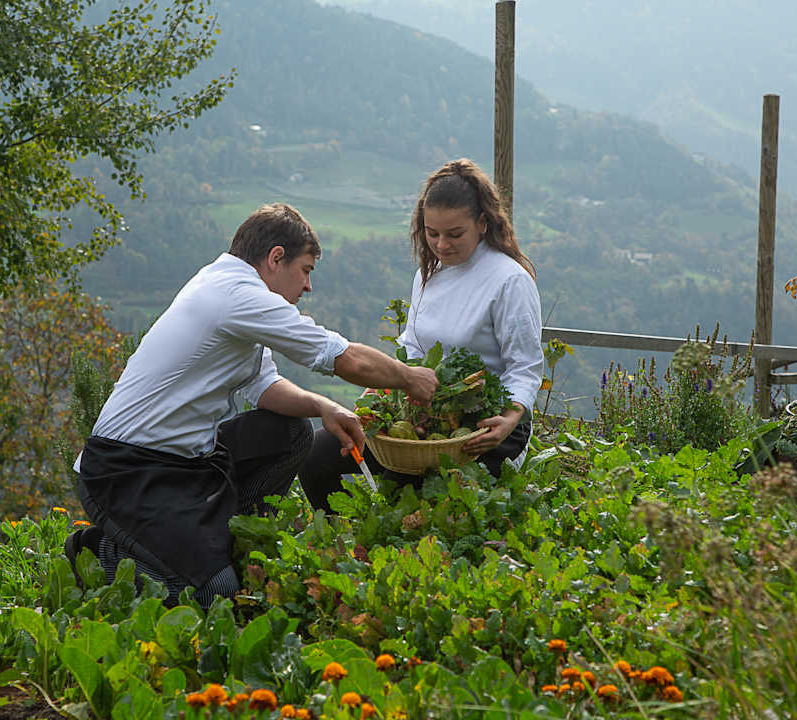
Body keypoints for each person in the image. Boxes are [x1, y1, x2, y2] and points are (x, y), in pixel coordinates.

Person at [65, 202, 438, 607]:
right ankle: (96, 553)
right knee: (214, 593)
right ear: (276, 257)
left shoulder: (229, 286)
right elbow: (339, 356)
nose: (308, 286)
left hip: (187, 464)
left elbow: (263, 387)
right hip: (126, 473)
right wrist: (408, 377)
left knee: (292, 431)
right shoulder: (235, 295)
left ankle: (226, 540)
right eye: (306, 270)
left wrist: (323, 407)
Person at [300, 158, 543, 511]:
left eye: (454, 234)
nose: (441, 245)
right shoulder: (429, 275)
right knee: (319, 454)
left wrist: (510, 417)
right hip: (425, 417)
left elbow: (525, 367)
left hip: (486, 428)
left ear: (482, 222)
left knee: (427, 506)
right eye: (432, 233)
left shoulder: (509, 280)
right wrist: (380, 387)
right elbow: (413, 345)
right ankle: (341, 546)